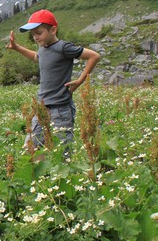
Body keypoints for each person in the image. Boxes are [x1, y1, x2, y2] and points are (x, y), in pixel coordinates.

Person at [6, 9, 100, 154]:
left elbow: (94, 56)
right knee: (31, 148)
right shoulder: (43, 48)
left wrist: (81, 80)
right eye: (33, 34)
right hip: (42, 107)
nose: (36, 37)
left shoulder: (64, 47)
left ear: (53, 30)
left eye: (39, 33)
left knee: (62, 151)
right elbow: (36, 57)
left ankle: (62, 174)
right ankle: (41, 174)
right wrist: (17, 47)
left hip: (61, 109)